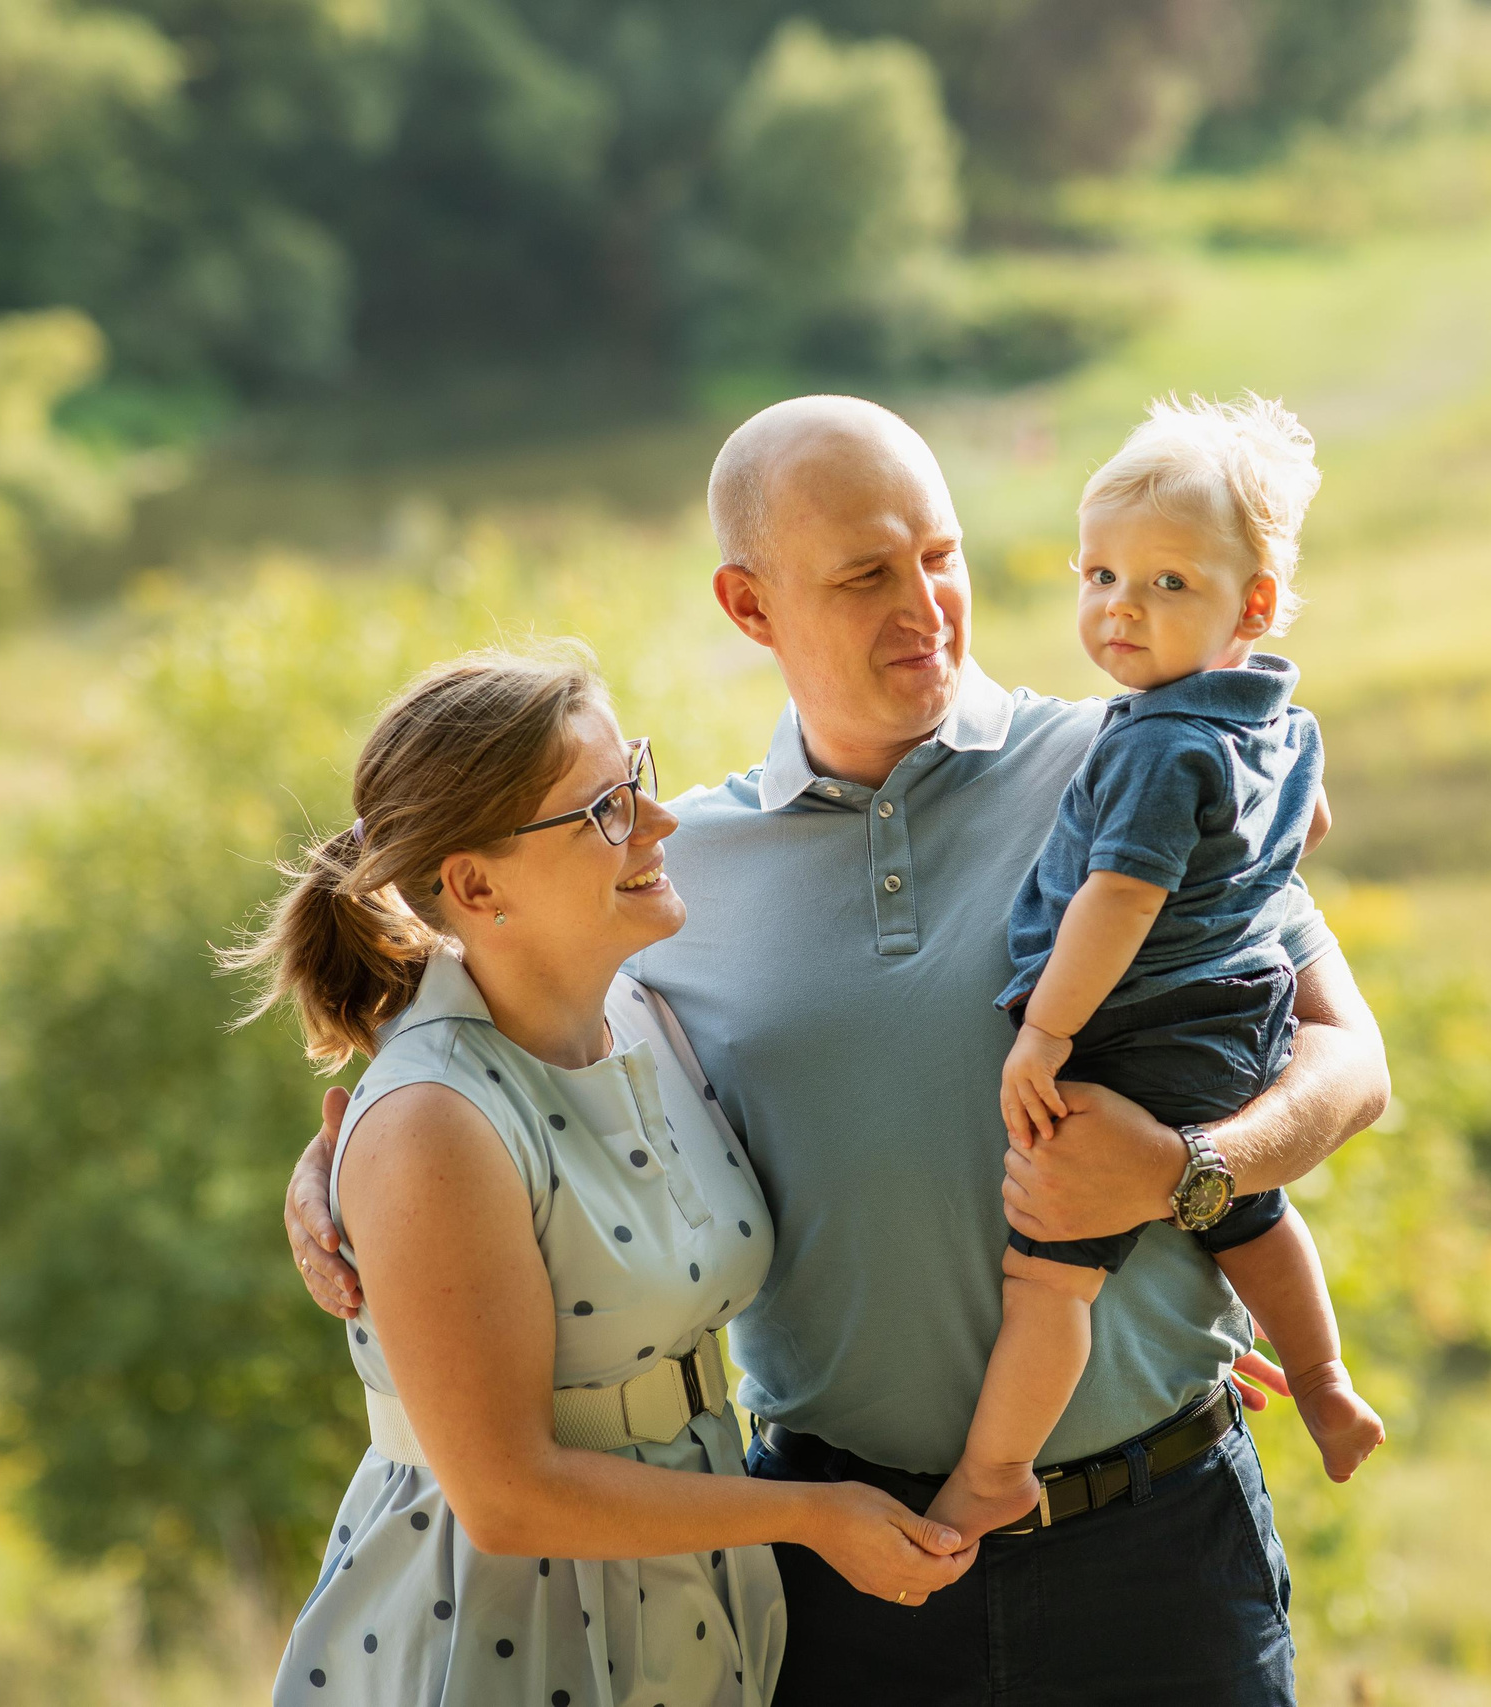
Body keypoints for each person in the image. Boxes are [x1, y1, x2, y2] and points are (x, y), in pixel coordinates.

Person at [288, 396, 1393, 1706]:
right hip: (838, 1576)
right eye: (866, 574)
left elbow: (1349, 1059)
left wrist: (1191, 1169)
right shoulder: (668, 877)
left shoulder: (1136, 765)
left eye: (940, 555)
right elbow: (486, 1047)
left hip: (1160, 1546)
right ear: (748, 605)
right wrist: (331, 1171)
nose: (923, 605)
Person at [235, 648, 972, 1707]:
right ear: (475, 885)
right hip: (508, 1624)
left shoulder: (643, 1010)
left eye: (635, 777)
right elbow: (508, 1499)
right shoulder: (430, 1120)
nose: (657, 821)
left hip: (684, 1594)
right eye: (604, 812)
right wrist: (814, 1516)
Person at [930, 395, 1385, 1546]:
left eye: (1166, 582)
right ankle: (1324, 1382)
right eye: (1099, 577)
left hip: (1141, 1030)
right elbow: (1310, 823)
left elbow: (1120, 898)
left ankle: (995, 1470)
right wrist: (1238, 879)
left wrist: (1044, 1033)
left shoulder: (1157, 740)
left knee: (1051, 1278)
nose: (1119, 608)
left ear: (1253, 604)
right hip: (1243, 1019)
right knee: (1251, 1215)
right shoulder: (1278, 719)